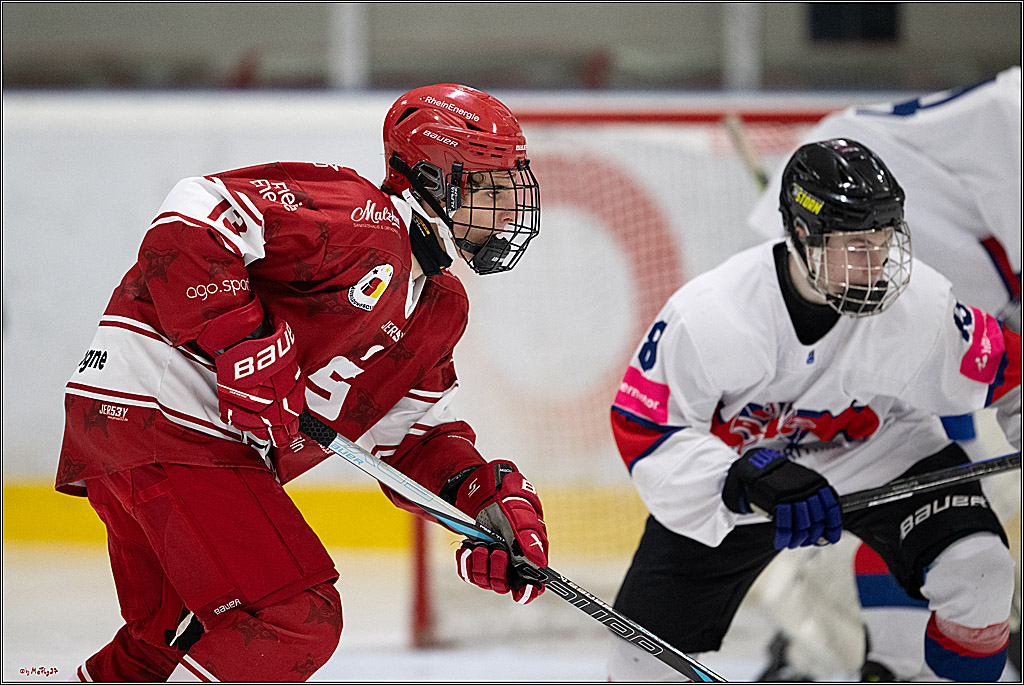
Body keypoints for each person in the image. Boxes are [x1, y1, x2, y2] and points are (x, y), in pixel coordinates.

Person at [56, 83, 548, 682]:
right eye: (488, 189)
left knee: (170, 641)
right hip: (163, 410)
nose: (506, 211)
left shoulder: (438, 308)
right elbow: (194, 214)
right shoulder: (358, 218)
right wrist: (242, 343)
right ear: (433, 176)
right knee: (293, 616)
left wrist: (482, 499)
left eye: (509, 189)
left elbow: (409, 437)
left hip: (146, 432)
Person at [605, 139, 1021, 682]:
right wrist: (745, 475)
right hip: (742, 478)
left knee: (981, 573)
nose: (877, 263)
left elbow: (1009, 372)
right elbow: (644, 428)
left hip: (880, 452)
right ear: (802, 234)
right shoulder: (713, 315)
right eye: (856, 244)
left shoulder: (917, 305)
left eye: (884, 240)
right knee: (641, 664)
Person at [746, 66, 1021, 682]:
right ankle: (860, 657)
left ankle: (867, 655)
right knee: (918, 474)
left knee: (920, 475)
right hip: (863, 233)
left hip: (899, 243)